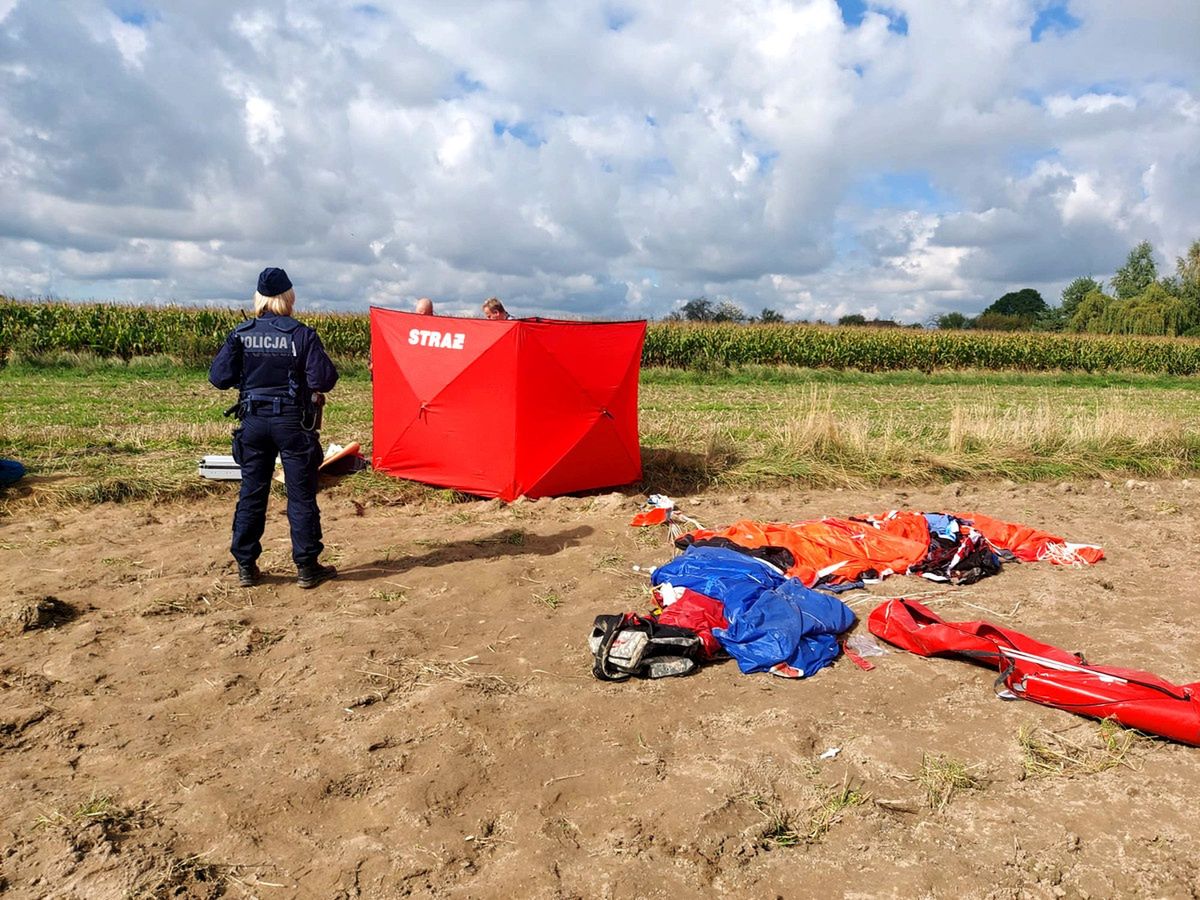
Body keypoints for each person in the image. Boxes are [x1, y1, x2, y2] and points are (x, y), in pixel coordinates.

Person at [209, 267, 340, 589]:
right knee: (300, 495)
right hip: (293, 424)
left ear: (259, 298)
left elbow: (219, 378)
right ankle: (307, 567)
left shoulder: (241, 333)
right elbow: (324, 380)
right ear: (288, 297)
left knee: (252, 493)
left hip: (253, 422)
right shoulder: (301, 334)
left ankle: (245, 565)